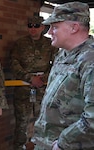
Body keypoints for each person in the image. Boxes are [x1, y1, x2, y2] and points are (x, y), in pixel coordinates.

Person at [32, 2, 94, 150]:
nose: (49, 32)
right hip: (46, 141)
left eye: (55, 27)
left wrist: (63, 142)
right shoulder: (63, 54)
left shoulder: (90, 60)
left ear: (74, 27)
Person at [10, 16, 58, 150]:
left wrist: (42, 79)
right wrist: (30, 78)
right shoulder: (20, 43)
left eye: (36, 26)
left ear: (42, 27)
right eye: (30, 25)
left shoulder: (51, 44)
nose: (33, 28)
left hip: (42, 89)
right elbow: (14, 63)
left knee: (43, 121)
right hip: (23, 89)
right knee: (21, 124)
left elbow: (57, 64)